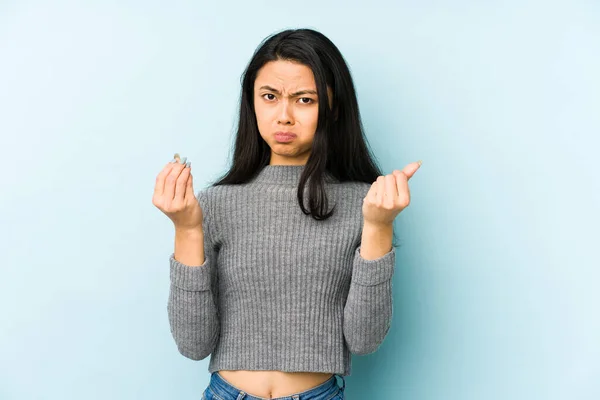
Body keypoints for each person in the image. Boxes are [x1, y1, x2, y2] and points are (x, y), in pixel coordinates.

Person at [153, 28, 421, 400]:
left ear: (333, 108)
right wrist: (186, 229)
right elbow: (193, 344)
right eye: (270, 97)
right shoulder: (214, 203)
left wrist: (378, 226)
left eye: (305, 100)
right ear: (253, 103)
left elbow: (364, 340)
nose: (284, 116)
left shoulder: (366, 203)